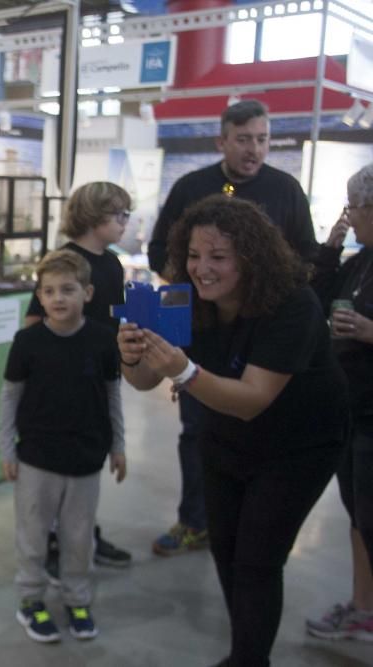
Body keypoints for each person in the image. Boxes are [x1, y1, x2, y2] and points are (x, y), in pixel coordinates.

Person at [119, 194, 348, 666]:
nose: (203, 268)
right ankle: (245, 652)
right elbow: (143, 380)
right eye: (195, 255)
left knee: (258, 560)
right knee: (226, 549)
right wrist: (130, 353)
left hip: (299, 446)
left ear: (251, 256)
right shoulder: (183, 297)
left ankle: (249, 659)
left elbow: (253, 399)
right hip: (225, 437)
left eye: (218, 257)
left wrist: (183, 372)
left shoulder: (292, 305)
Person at [145, 99, 318, 557]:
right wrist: (195, 285)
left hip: (264, 337)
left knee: (258, 427)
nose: (254, 149)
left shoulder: (285, 190)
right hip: (203, 330)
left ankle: (250, 525)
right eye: (244, 139)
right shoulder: (192, 187)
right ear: (222, 140)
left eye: (262, 139)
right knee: (196, 429)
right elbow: (159, 249)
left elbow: (307, 256)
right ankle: (194, 521)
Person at [0, 249, 127, 644]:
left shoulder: (104, 341)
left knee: (78, 537)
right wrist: (7, 448)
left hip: (86, 459)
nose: (58, 298)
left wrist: (118, 445)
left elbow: (112, 396)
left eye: (68, 290)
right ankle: (31, 599)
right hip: (36, 458)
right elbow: (10, 398)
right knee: (33, 535)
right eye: (49, 291)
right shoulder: (26, 342)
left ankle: (77, 598)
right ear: (39, 295)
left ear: (87, 293)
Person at [22, 182, 133, 577]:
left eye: (126, 215)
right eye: (118, 214)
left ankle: (83, 535)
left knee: (86, 465)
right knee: (55, 471)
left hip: (96, 380)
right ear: (93, 214)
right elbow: (35, 321)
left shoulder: (114, 264)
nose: (124, 223)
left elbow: (114, 323)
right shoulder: (64, 261)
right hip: (60, 385)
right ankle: (53, 541)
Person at [307, 163, 373, 642]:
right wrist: (331, 246)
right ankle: (363, 606)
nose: (350, 216)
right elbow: (318, 295)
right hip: (353, 411)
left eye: (354, 209)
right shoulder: (361, 259)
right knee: (360, 515)